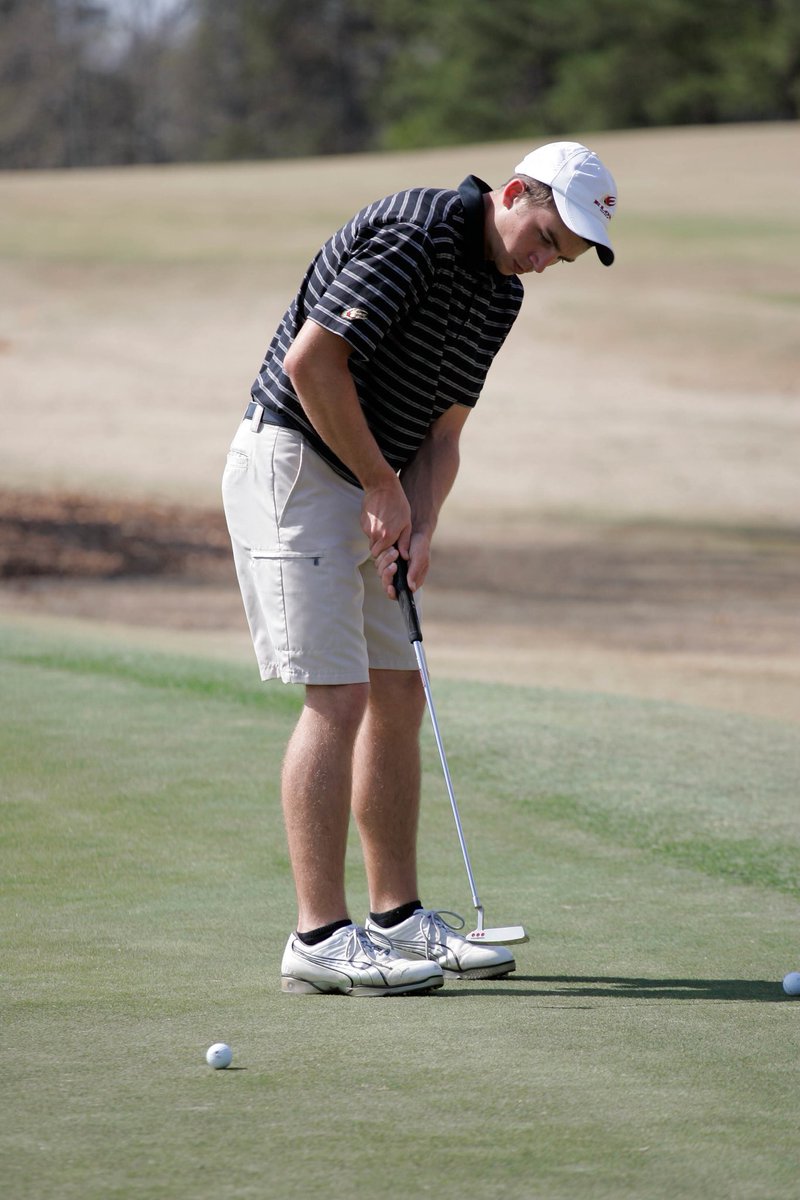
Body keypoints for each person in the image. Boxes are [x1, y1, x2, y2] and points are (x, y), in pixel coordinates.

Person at [222, 141, 618, 996]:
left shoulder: (500, 293)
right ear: (515, 192)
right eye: (547, 236)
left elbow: (443, 434)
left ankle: (396, 917)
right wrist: (379, 485)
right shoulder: (418, 234)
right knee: (338, 695)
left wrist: (421, 519)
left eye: (565, 256)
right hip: (295, 467)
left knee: (399, 691)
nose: (546, 262)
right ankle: (318, 938)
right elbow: (313, 363)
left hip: (377, 484)